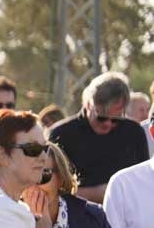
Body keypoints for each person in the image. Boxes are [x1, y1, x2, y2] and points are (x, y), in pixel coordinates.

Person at [48, 72, 149, 204]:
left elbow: (146, 182)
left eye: (115, 120)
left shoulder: (134, 132)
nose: (107, 124)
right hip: (78, 219)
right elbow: (49, 189)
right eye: (101, 118)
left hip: (126, 217)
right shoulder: (61, 134)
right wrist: (97, 193)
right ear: (88, 104)